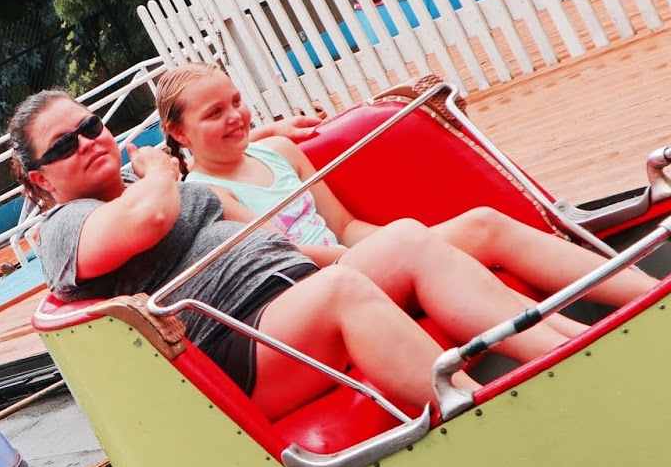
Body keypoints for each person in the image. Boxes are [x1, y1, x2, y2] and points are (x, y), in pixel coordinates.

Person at [11, 89, 584, 420]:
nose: (88, 141)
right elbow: (149, 220)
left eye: (91, 125)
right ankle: (486, 415)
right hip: (239, 347)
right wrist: (158, 171)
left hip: (292, 298)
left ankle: (575, 354)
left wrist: (380, 254)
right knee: (341, 291)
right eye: (65, 144)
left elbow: (271, 239)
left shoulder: (166, 189)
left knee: (408, 238)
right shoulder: (65, 225)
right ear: (41, 177)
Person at [156, 63, 662, 306]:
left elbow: (346, 226)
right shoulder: (209, 197)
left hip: (362, 257)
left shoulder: (281, 152)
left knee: (465, 233)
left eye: (238, 101)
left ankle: (637, 295)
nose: (236, 117)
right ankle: (645, 301)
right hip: (324, 286)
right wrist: (411, 244)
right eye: (215, 113)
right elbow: (293, 257)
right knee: (482, 228)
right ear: (179, 133)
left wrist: (408, 233)